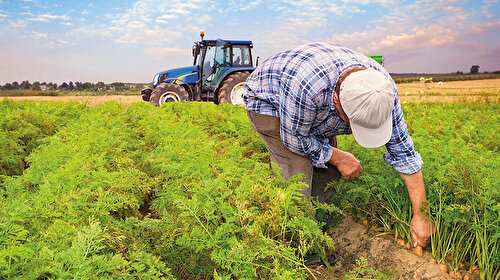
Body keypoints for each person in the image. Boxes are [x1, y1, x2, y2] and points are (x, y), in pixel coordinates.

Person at [243, 42, 432, 249]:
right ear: (336, 101)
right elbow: (295, 139)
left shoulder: (382, 92)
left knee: (328, 173)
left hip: (311, 104)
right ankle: (301, 246)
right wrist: (339, 156)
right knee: (298, 176)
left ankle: (318, 224)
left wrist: (421, 214)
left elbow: (404, 154)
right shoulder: (308, 89)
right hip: (270, 102)